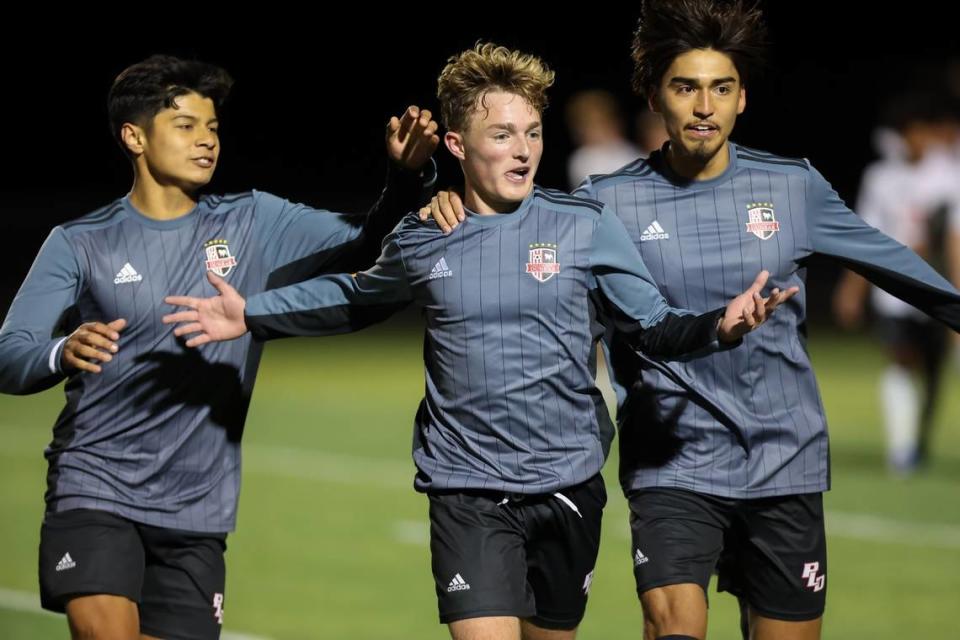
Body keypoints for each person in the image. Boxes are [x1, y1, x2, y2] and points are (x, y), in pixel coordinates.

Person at [162, 42, 794, 640]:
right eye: (502, 135)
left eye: (533, 133)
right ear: (460, 145)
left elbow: (652, 323)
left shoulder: (584, 226)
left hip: (568, 483)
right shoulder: (425, 235)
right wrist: (254, 314)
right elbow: (355, 296)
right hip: (466, 488)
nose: (523, 150)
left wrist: (718, 324)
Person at [421, 3, 960, 639]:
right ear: (655, 97)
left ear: (742, 100)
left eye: (721, 88)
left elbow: (902, 270)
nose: (704, 105)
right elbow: (508, 227)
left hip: (784, 459)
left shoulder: (795, 190)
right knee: (673, 626)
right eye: (685, 87)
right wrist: (438, 190)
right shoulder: (604, 203)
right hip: (670, 463)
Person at [0, 54, 439, 640]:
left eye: (212, 128)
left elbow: (367, 243)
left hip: (197, 509)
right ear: (134, 136)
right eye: (186, 126)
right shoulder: (80, 243)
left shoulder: (253, 221)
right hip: (95, 488)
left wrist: (405, 177)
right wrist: (61, 351)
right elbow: (11, 351)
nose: (207, 142)